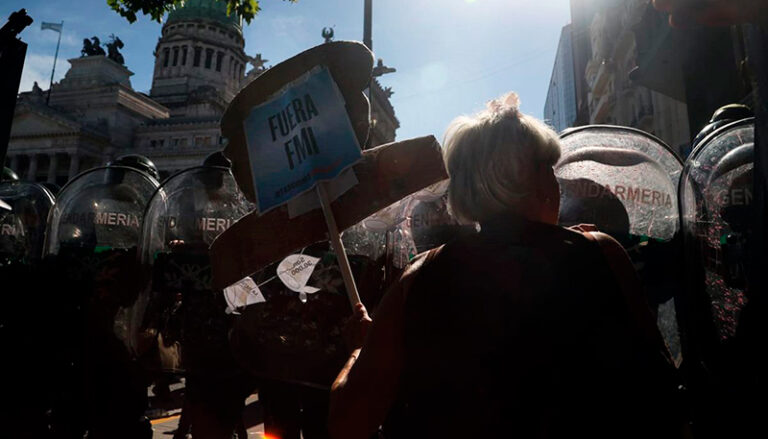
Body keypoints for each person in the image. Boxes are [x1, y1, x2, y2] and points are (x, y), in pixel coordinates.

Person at [329, 92, 685, 439]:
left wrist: (360, 351)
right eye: (550, 171)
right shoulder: (599, 253)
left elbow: (348, 422)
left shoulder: (420, 275)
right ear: (540, 182)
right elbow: (663, 392)